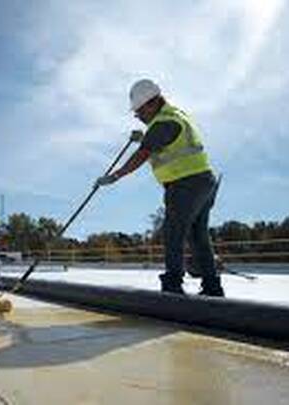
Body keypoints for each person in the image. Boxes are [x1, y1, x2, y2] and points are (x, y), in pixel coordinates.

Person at [95, 79, 224, 297]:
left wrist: (115, 175)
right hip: (204, 181)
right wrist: (144, 137)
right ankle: (212, 287)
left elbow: (142, 155)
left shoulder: (162, 122)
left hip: (185, 182)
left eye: (138, 112)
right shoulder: (175, 115)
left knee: (173, 232)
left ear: (150, 104)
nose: (138, 117)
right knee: (197, 235)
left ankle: (172, 286)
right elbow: (163, 141)